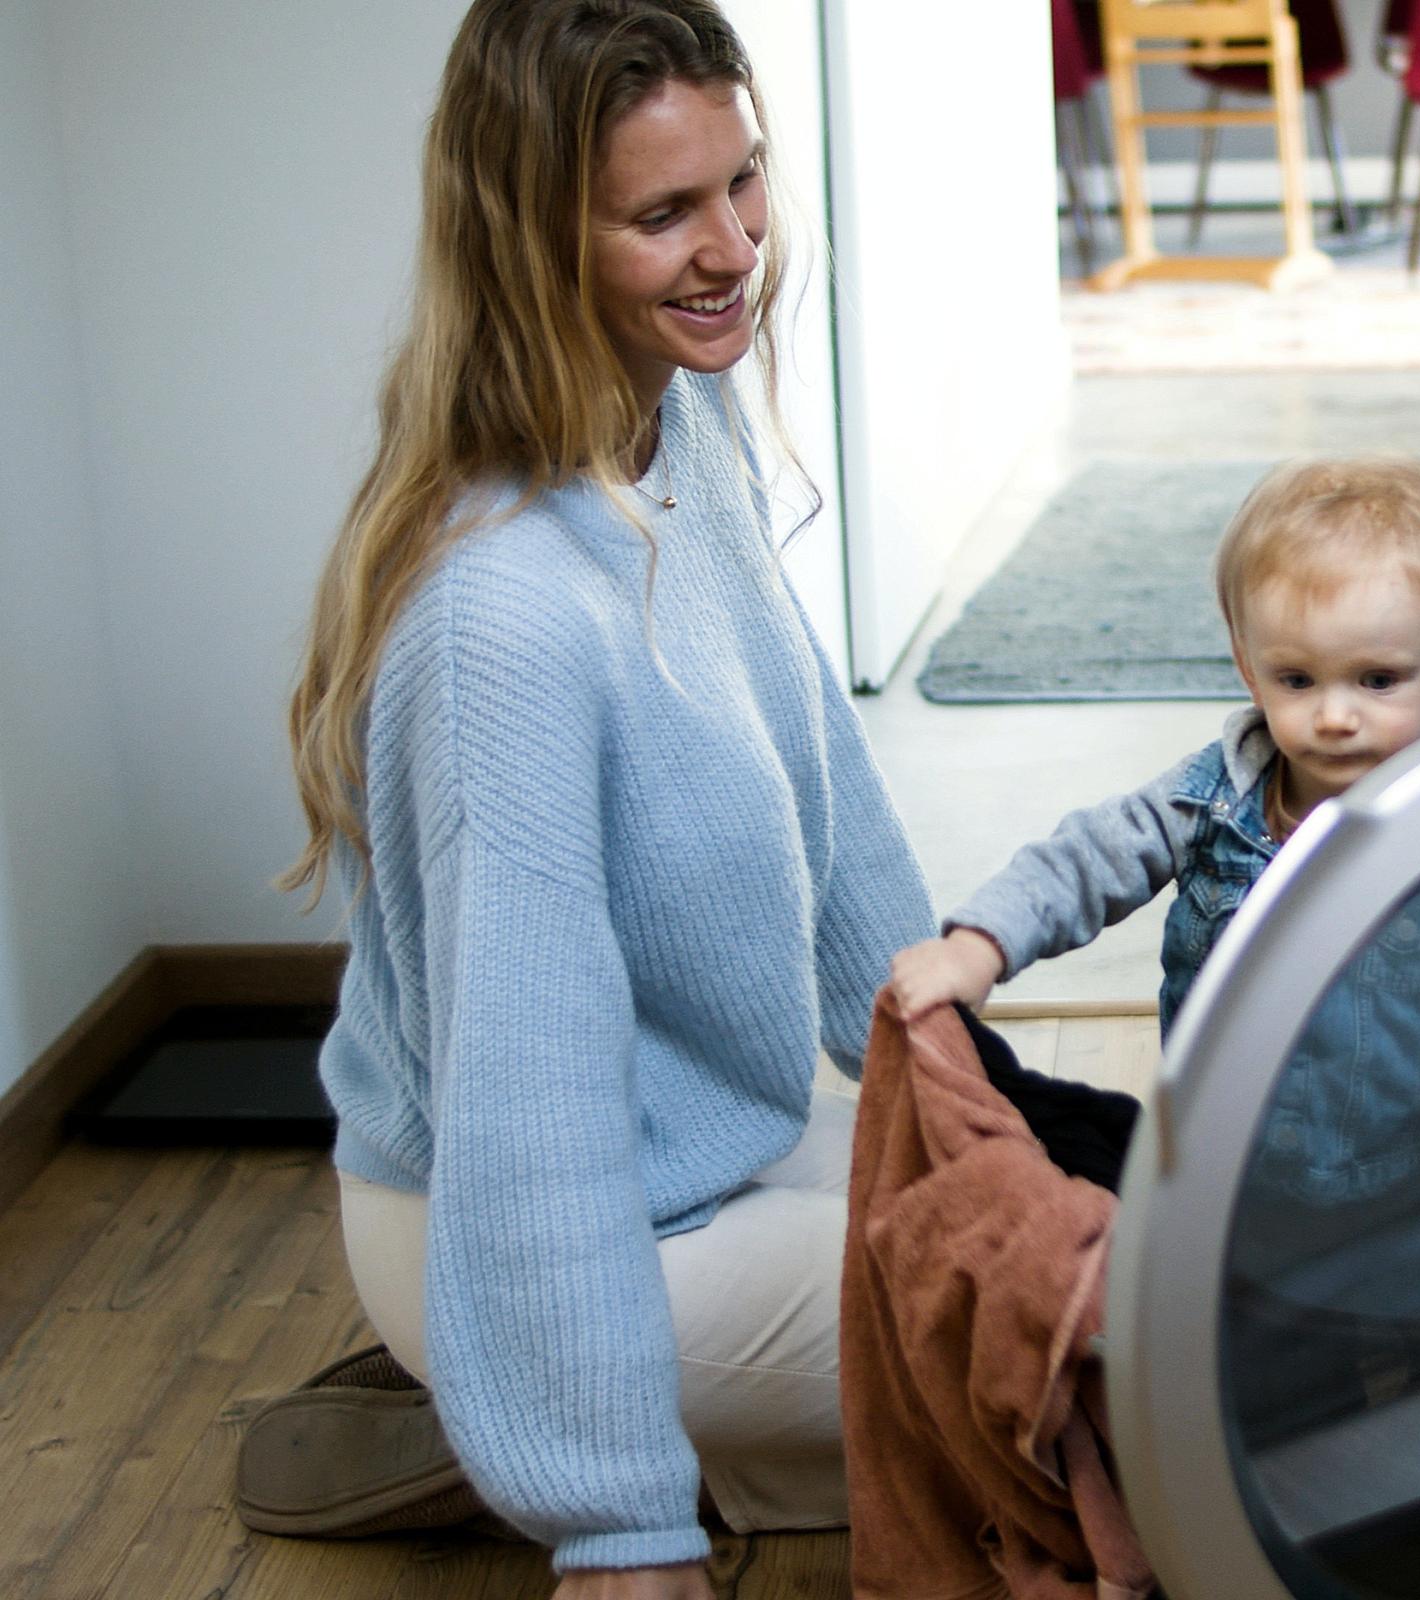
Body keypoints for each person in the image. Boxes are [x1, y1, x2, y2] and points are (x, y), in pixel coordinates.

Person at [277, 3, 932, 1595]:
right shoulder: (498, 611)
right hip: (520, 1216)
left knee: (1112, 1212)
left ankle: (738, 1435)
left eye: (744, 183)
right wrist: (609, 1514)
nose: (734, 249)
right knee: (1106, 1324)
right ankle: (540, 1409)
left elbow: (819, 776)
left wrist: (950, 1073)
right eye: (662, 215)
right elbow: (532, 1090)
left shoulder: (672, 415)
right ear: (530, 242)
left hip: (700, 1151)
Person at [887, 455, 1420, 1206]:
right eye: (1297, 680)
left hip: (1419, 1181)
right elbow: (1083, 860)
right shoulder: (1211, 801)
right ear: (1249, 667)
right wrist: (978, 946)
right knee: (1049, 1153)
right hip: (1223, 1176)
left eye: (1378, 681)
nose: (1335, 717)